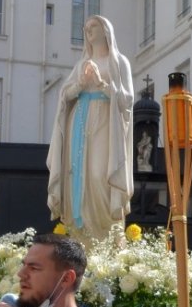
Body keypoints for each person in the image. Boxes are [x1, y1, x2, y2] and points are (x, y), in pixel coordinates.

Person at [45, 14, 134, 238]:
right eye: (86, 27)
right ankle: (80, 236)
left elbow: (128, 100)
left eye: (93, 25)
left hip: (106, 121)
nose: (88, 30)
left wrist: (102, 84)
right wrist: (81, 83)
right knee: (77, 173)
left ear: (106, 30)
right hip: (80, 120)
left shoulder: (119, 62)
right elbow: (65, 94)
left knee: (99, 175)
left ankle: (107, 237)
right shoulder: (80, 64)